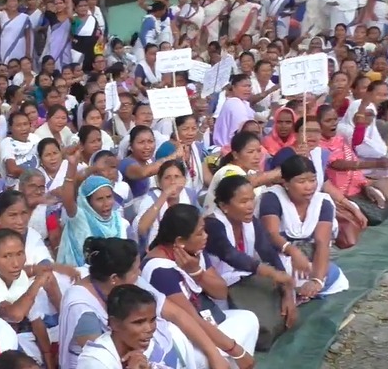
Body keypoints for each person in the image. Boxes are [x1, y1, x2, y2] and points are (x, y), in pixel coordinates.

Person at [57, 237, 228, 369]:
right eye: (135, 271)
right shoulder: (82, 309)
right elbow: (108, 356)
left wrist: (214, 354)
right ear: (114, 278)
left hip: (140, 354)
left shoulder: (127, 280)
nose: (139, 274)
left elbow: (176, 314)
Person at [142, 204, 259, 368]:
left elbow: (221, 292)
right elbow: (190, 319)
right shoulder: (159, 270)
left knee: (248, 319)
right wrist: (236, 350)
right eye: (200, 233)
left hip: (204, 321)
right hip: (183, 338)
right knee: (229, 351)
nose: (205, 236)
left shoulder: (193, 250)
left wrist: (197, 273)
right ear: (180, 241)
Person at [205, 175, 297, 349]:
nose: (250, 206)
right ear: (224, 206)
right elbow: (231, 256)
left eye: (252, 199)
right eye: (243, 201)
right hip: (217, 288)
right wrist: (272, 273)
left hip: (244, 279)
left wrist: (287, 291)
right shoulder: (213, 225)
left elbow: (268, 253)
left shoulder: (250, 221)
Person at [258, 155, 350, 301]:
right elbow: (271, 234)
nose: (309, 187)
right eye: (301, 181)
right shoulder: (272, 198)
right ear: (286, 183)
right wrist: (293, 252)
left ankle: (305, 292)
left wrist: (316, 281)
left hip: (307, 260)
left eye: (312, 180)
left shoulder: (322, 202)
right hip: (275, 258)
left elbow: (322, 243)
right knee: (278, 278)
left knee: (331, 274)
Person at [0, 229, 59, 369]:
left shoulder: (20, 277)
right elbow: (14, 315)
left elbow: (36, 321)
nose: (16, 263)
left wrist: (49, 359)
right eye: (6, 256)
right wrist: (37, 284)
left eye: (20, 254)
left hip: (19, 336)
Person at [57, 154, 129, 266]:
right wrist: (71, 166)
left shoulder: (118, 221)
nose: (106, 204)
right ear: (88, 202)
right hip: (79, 273)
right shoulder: (80, 217)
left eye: (109, 197)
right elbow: (68, 200)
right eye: (99, 199)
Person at [76, 285, 164, 368]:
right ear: (115, 323)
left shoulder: (152, 349)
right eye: (139, 322)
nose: (149, 329)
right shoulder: (94, 361)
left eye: (152, 320)